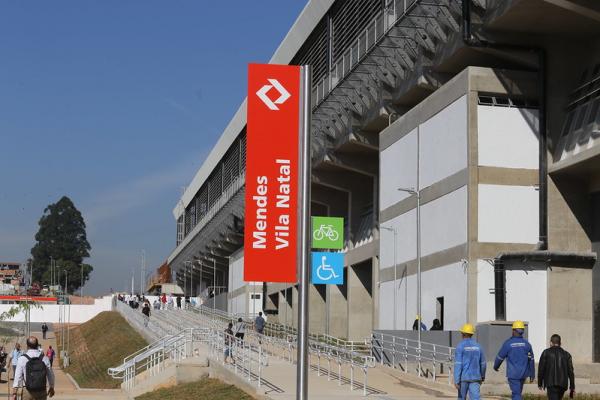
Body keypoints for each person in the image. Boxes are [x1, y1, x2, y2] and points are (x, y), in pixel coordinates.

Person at [493, 320, 535, 400]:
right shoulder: (527, 344)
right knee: (517, 392)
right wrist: (532, 374)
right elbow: (531, 360)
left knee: (516, 394)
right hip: (523, 374)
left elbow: (500, 357)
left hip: (513, 375)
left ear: (514, 330)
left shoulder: (508, 344)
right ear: (522, 331)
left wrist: (495, 367)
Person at [538, 334, 575, 400]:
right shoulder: (567, 354)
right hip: (562, 384)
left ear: (551, 342)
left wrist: (540, 383)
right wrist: (572, 387)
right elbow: (571, 372)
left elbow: (541, 369)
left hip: (550, 384)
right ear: (560, 343)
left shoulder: (546, 353)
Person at [454, 324, 486, 400]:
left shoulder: (460, 346)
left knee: (461, 398)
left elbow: (458, 364)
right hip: (475, 378)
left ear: (463, 334)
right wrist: (482, 376)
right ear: (471, 334)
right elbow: (483, 363)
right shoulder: (478, 346)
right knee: (476, 398)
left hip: (463, 378)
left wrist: (456, 380)